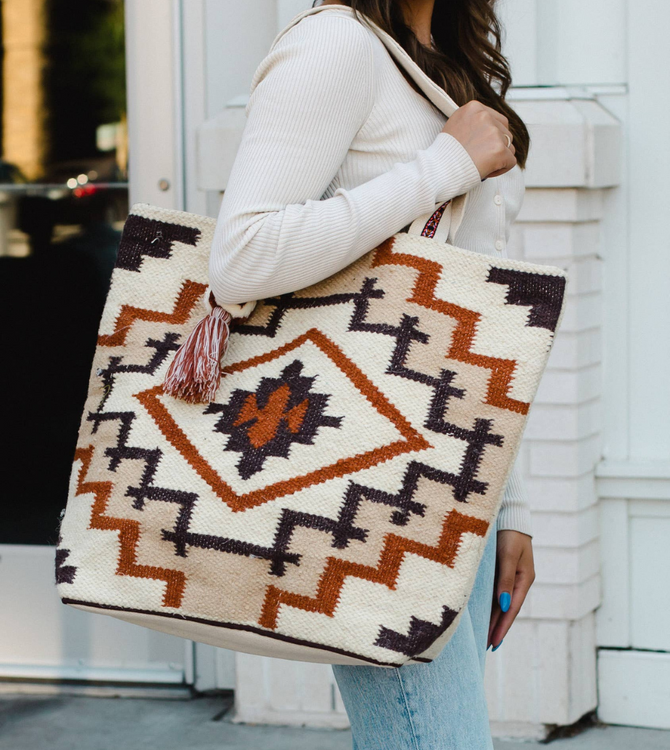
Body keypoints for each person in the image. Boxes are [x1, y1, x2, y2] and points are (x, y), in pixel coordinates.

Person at [209, 1, 535, 746]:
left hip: (456, 473)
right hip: (372, 483)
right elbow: (243, 258)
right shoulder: (337, 44)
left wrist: (511, 509)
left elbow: (483, 322)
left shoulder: (448, 56)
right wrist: (444, 167)